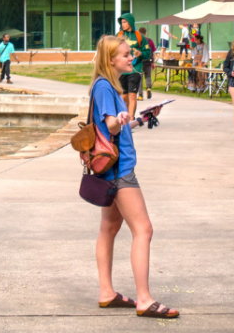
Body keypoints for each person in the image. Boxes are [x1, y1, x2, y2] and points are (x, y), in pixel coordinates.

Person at [91, 35, 178, 319]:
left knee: (109, 229)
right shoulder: (105, 86)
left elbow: (114, 127)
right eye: (127, 55)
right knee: (144, 229)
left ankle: (107, 293)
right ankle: (144, 299)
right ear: (111, 59)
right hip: (120, 171)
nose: (131, 58)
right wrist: (120, 120)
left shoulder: (106, 86)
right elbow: (111, 127)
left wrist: (138, 119)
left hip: (109, 171)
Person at [117, 14, 145, 102]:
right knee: (123, 97)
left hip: (135, 69)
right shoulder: (118, 36)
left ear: (130, 23)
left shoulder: (139, 36)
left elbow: (147, 52)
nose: (123, 24)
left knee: (132, 96)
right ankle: (125, 114)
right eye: (122, 22)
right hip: (122, 71)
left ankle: (132, 116)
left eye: (125, 22)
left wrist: (140, 53)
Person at [138, 27, 156, 100]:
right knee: (148, 76)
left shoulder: (138, 41)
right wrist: (153, 63)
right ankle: (148, 87)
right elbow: (153, 52)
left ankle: (140, 95)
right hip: (148, 61)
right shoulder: (150, 41)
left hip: (140, 62)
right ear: (146, 33)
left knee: (140, 78)